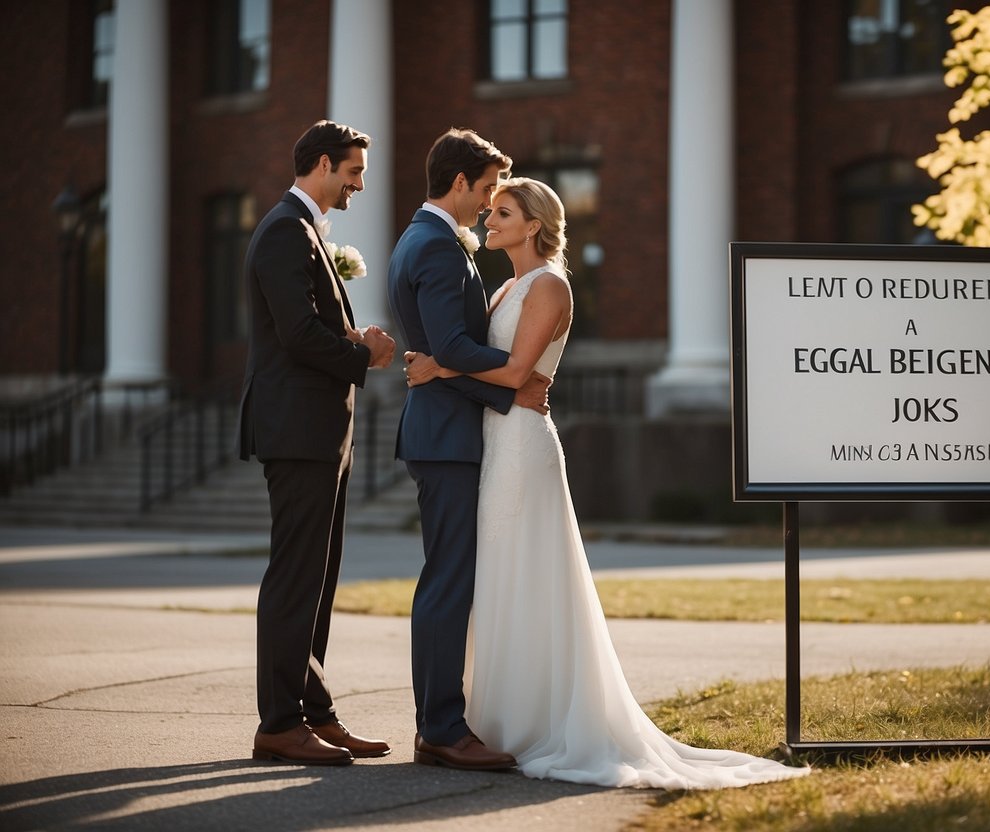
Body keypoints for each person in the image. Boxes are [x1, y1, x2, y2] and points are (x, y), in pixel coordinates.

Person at [404, 178, 812, 789]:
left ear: (535, 225)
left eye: (503, 212)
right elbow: (500, 372)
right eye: (490, 211)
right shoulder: (507, 285)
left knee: (522, 573)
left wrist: (439, 365)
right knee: (496, 578)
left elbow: (518, 371)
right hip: (495, 438)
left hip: (520, 445)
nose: (489, 219)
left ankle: (530, 722)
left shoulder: (549, 285)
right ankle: (491, 717)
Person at [386, 128, 550, 771]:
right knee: (448, 583)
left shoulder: (417, 239)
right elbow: (451, 345)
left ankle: (439, 724)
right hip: (448, 437)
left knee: (445, 580)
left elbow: (442, 353)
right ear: (459, 183)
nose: (486, 205)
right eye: (485, 191)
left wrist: (447, 368)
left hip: (445, 428)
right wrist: (515, 381)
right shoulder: (437, 248)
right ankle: (443, 731)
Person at [239, 119, 396, 766]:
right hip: (296, 429)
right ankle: (278, 723)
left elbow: (302, 329)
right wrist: (366, 357)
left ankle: (315, 713)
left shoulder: (300, 229)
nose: (360, 184)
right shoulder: (284, 229)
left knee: (318, 579)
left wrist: (354, 344)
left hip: (317, 427)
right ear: (325, 165)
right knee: (295, 579)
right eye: (354, 171)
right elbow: (297, 334)